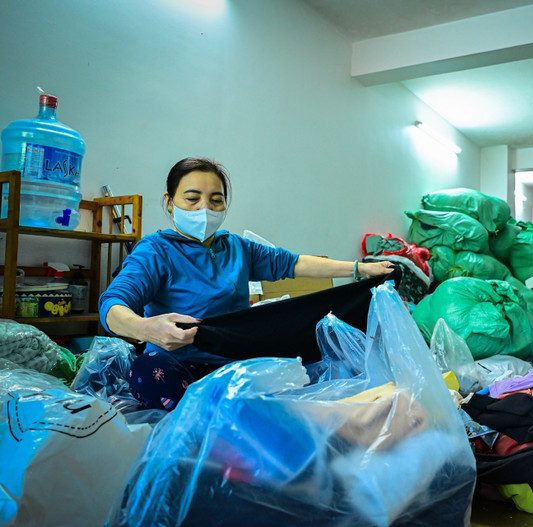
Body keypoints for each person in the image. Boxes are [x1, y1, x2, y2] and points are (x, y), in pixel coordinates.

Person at [99, 157, 394, 410]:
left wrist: (359, 268)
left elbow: (293, 263)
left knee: (322, 366)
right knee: (148, 370)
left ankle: (233, 412)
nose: (205, 208)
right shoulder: (156, 251)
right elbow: (113, 305)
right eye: (192, 198)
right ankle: (220, 417)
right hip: (179, 365)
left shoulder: (237, 247)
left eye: (216, 200)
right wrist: (146, 328)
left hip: (236, 362)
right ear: (169, 201)